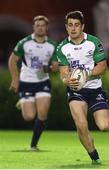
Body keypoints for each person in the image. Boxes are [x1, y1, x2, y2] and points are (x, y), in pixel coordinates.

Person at [56, 11, 109, 164]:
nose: (73, 28)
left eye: (76, 25)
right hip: (76, 91)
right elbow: (63, 73)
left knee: (105, 126)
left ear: (82, 26)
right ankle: (95, 158)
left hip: (95, 89)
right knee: (81, 125)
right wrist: (66, 81)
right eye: (70, 25)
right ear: (66, 27)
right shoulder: (62, 48)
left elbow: (103, 67)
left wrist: (85, 75)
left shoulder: (93, 42)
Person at [8, 15, 58, 150]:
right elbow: (12, 60)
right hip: (26, 81)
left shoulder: (52, 45)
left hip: (43, 82)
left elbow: (56, 65)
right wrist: (15, 79)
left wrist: (50, 68)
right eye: (37, 25)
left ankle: (33, 145)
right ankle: (23, 101)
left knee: (42, 114)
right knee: (29, 116)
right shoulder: (25, 43)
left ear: (46, 28)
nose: (40, 28)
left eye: (42, 25)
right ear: (33, 27)